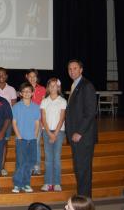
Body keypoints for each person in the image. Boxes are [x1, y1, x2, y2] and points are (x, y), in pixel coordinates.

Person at [65, 59, 97, 197]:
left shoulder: (86, 86)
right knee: (80, 169)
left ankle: (84, 202)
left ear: (81, 69)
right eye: (70, 69)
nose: (72, 71)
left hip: (83, 137)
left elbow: (90, 112)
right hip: (76, 137)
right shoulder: (75, 85)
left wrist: (79, 132)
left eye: (75, 68)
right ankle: (83, 200)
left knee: (83, 171)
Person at [12, 82, 40, 193]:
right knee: (21, 162)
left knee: (30, 162)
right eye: (24, 91)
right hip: (21, 139)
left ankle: (26, 184)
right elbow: (14, 123)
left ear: (32, 93)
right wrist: (19, 136)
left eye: (29, 91)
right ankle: (17, 184)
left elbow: (37, 123)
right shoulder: (16, 106)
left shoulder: (36, 107)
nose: (26, 93)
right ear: (20, 94)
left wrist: (35, 136)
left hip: (32, 139)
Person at [40, 78, 66, 192]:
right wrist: (49, 134)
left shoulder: (62, 101)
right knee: (48, 158)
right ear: (48, 88)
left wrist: (54, 134)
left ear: (58, 87)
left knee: (56, 158)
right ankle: (47, 182)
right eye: (51, 86)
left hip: (58, 132)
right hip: (46, 132)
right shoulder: (44, 101)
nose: (53, 88)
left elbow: (62, 119)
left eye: (55, 86)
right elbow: (43, 119)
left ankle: (57, 183)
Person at [0, 67, 17, 176]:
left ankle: (2, 167)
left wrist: (13, 121)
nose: (1, 76)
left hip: (7, 121)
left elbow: (14, 106)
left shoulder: (12, 89)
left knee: (4, 143)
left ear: (6, 76)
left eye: (3, 74)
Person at [26, 68, 46, 175]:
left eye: (34, 76)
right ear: (27, 77)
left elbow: (43, 107)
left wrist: (42, 121)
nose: (32, 78)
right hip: (27, 122)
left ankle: (37, 166)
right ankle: (29, 166)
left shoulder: (42, 89)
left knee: (36, 143)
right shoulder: (24, 89)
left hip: (38, 121)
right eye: (30, 76)